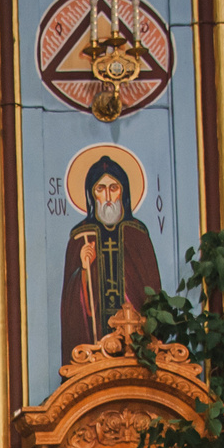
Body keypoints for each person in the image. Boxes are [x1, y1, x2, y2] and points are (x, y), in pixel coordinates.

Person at [60, 153, 160, 357]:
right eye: (101, 189)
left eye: (113, 188)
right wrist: (84, 271)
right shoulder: (81, 236)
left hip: (135, 348)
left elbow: (151, 293)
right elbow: (71, 310)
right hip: (93, 351)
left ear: (123, 193)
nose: (107, 196)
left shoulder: (137, 234)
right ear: (91, 194)